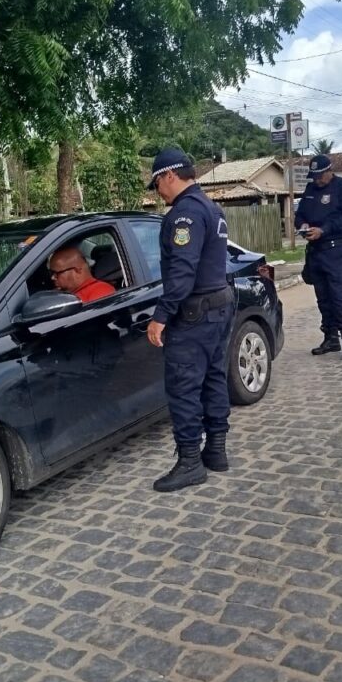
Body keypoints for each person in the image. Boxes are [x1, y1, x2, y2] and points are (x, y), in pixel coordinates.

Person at [145, 148, 235, 493]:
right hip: (218, 306)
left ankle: (190, 463)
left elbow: (182, 273)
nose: (158, 192)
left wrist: (161, 316)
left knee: (184, 388)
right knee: (214, 379)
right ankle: (216, 451)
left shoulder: (185, 215)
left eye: (157, 183)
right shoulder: (212, 208)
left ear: (169, 175)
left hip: (193, 314)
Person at [295, 154, 342, 361]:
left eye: (320, 175)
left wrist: (324, 230)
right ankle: (331, 338)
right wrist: (303, 226)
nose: (318, 180)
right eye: (314, 176)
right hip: (315, 251)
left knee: (337, 297)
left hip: (335, 250)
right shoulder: (311, 189)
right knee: (322, 298)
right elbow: (300, 214)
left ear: (330, 171)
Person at [48, 246, 114, 302]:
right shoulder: (64, 292)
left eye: (56, 273)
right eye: (51, 273)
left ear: (77, 270)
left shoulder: (101, 291)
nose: (53, 277)